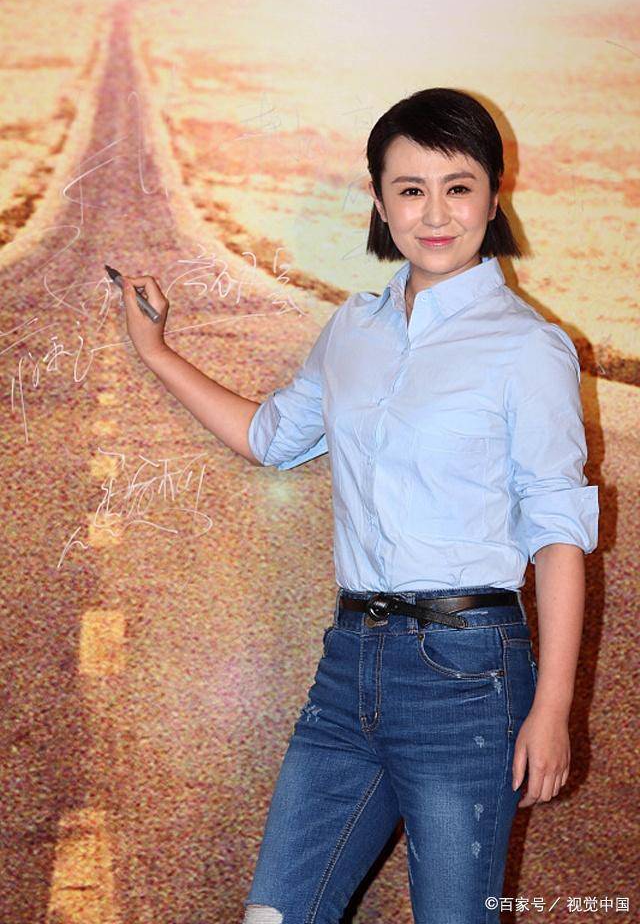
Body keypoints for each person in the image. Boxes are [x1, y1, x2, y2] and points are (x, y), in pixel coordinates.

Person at [121, 87, 599, 924]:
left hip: (468, 674)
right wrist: (155, 350)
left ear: (494, 197)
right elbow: (270, 437)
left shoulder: (528, 347)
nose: (435, 213)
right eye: (410, 189)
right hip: (350, 663)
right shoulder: (354, 329)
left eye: (458, 186)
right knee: (277, 914)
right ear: (380, 203)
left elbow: (559, 533)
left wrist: (552, 707)